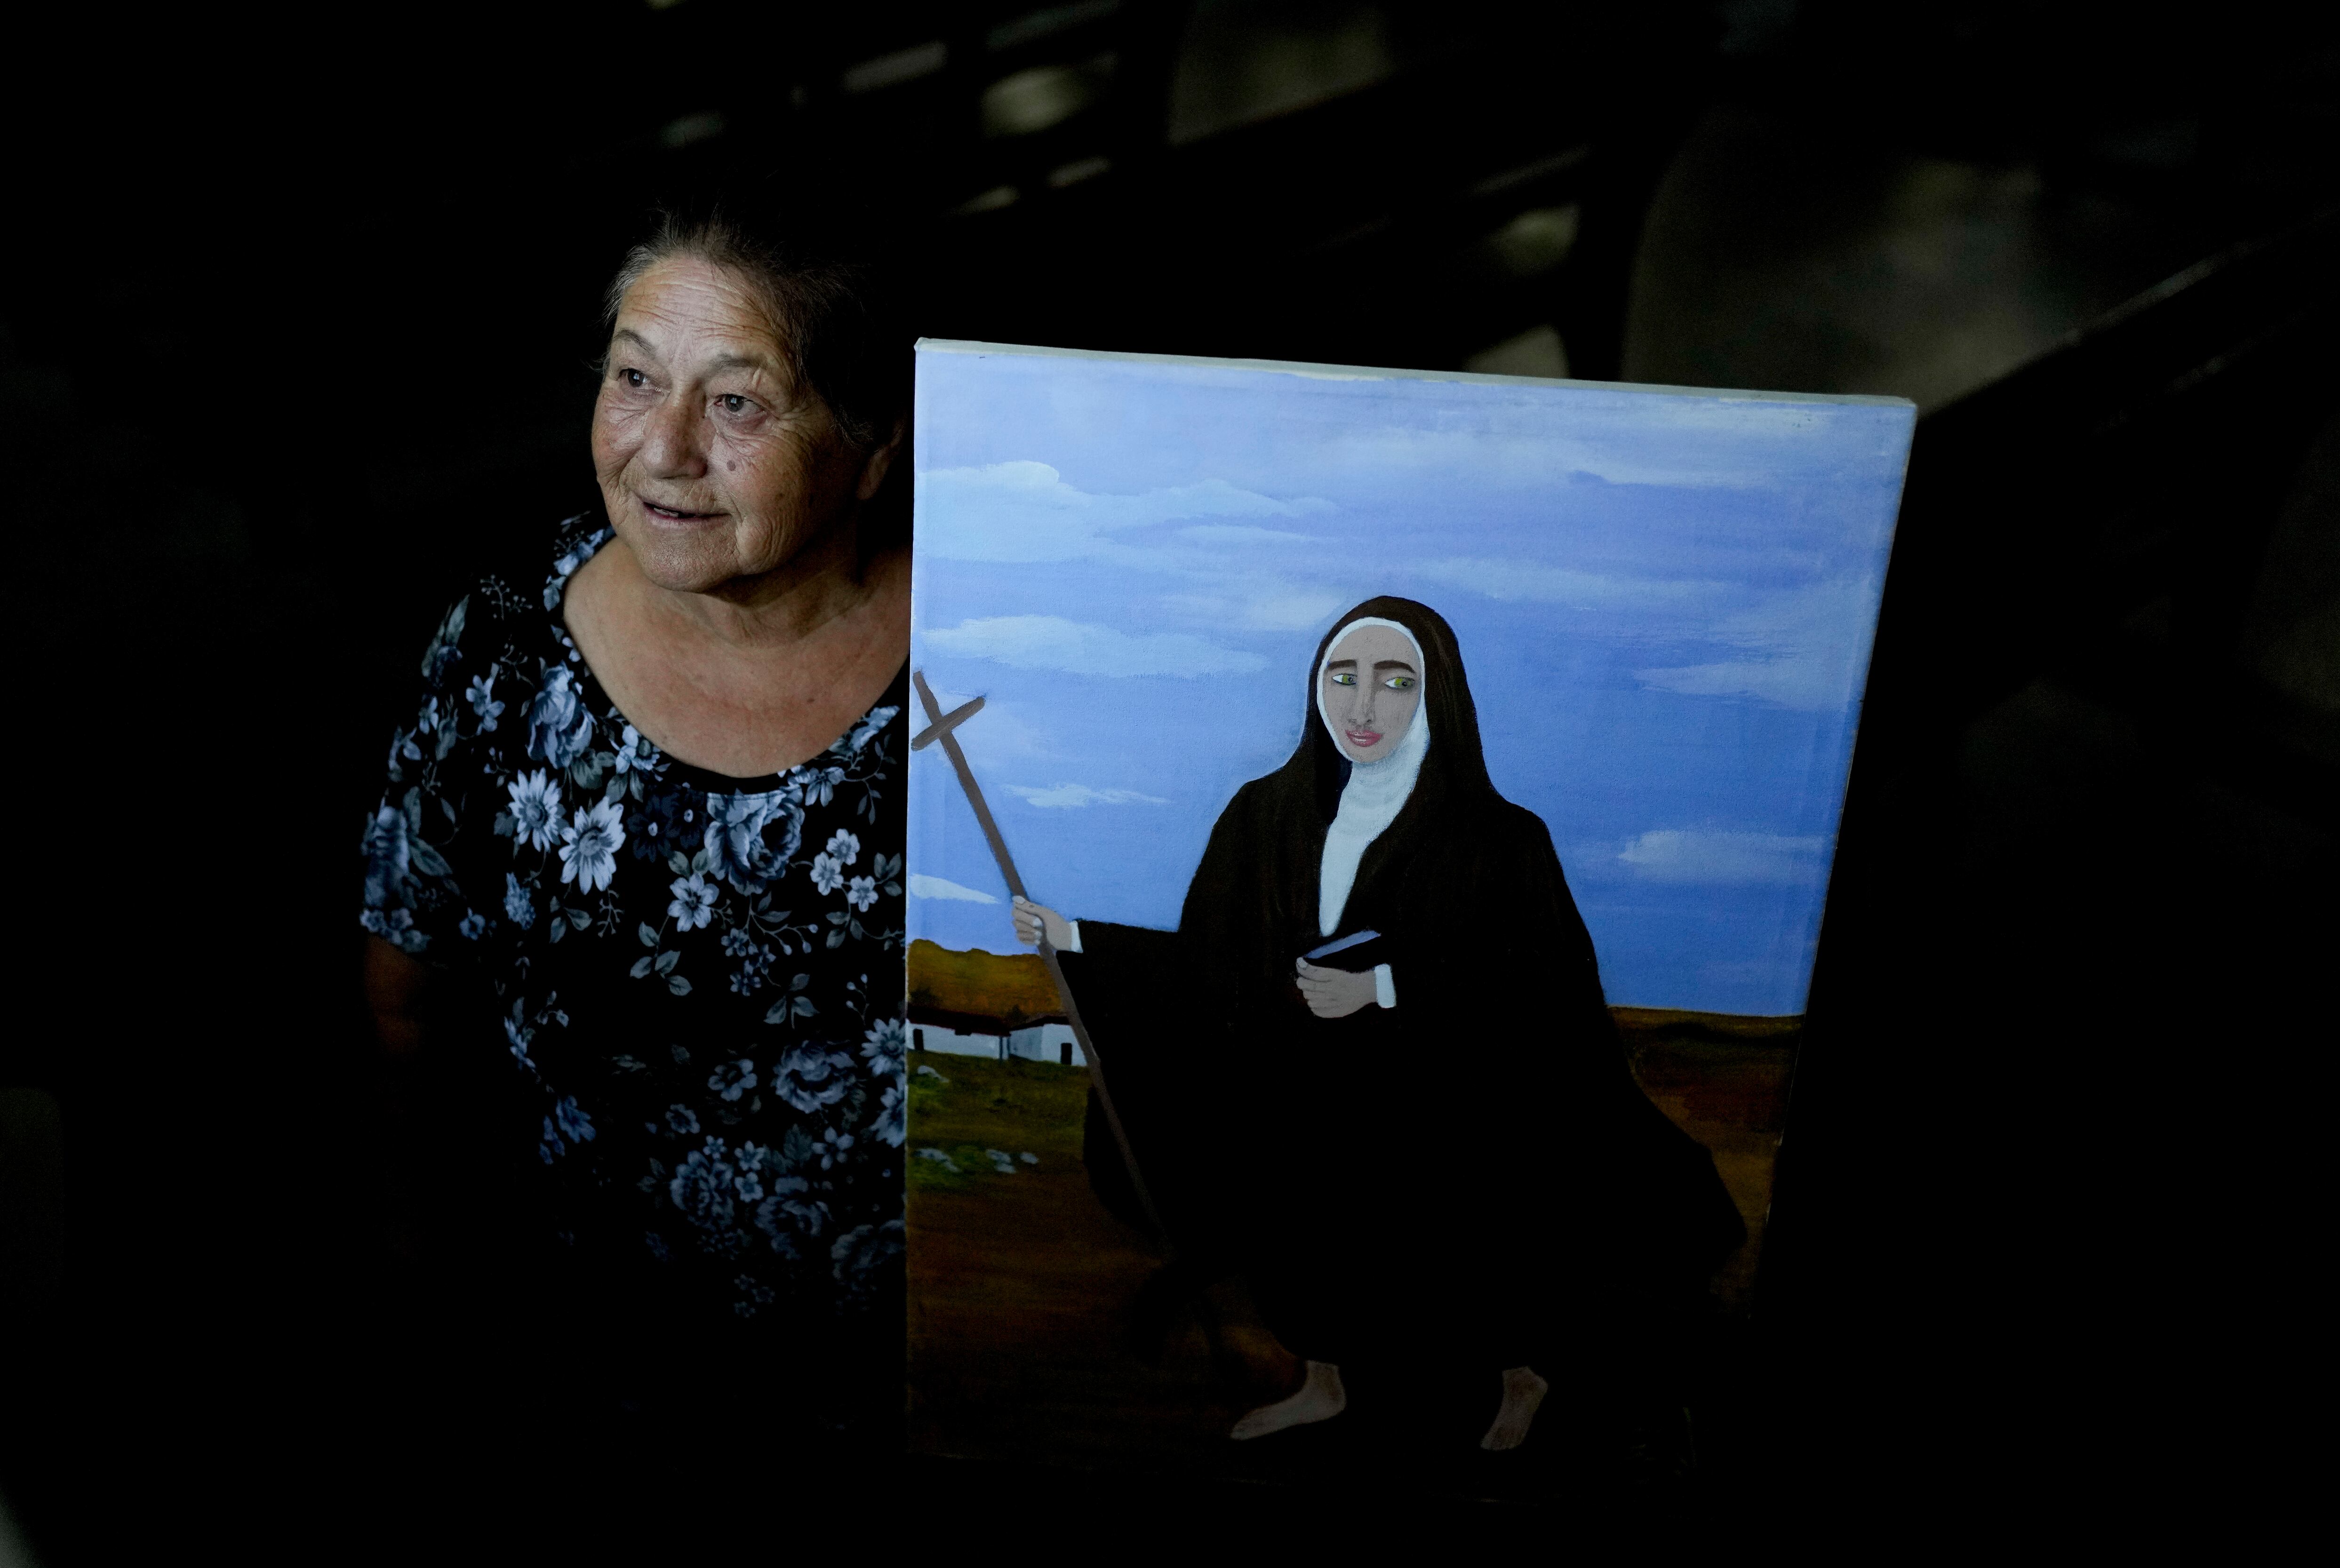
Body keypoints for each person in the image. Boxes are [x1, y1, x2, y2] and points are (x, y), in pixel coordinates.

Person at [359, 212, 913, 1449]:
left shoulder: (982, 674)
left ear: (871, 449)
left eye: (739, 403)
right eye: (634, 375)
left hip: (920, 1337)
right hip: (590, 1315)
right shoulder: (506, 652)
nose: (661, 449)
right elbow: (404, 990)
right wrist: (410, 1239)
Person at [1012, 598, 1743, 1451]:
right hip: (1309, 1086)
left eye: (1395, 684)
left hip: (1444, 1093)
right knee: (1294, 1216)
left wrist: (1386, 989)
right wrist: (1076, 939)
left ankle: (1521, 1378)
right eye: (1342, 678)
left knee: (1484, 1231)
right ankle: (1323, 1380)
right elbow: (1213, 956)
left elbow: (1542, 987)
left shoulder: (1501, 839)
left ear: (1437, 696)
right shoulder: (1263, 814)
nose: (1363, 708)